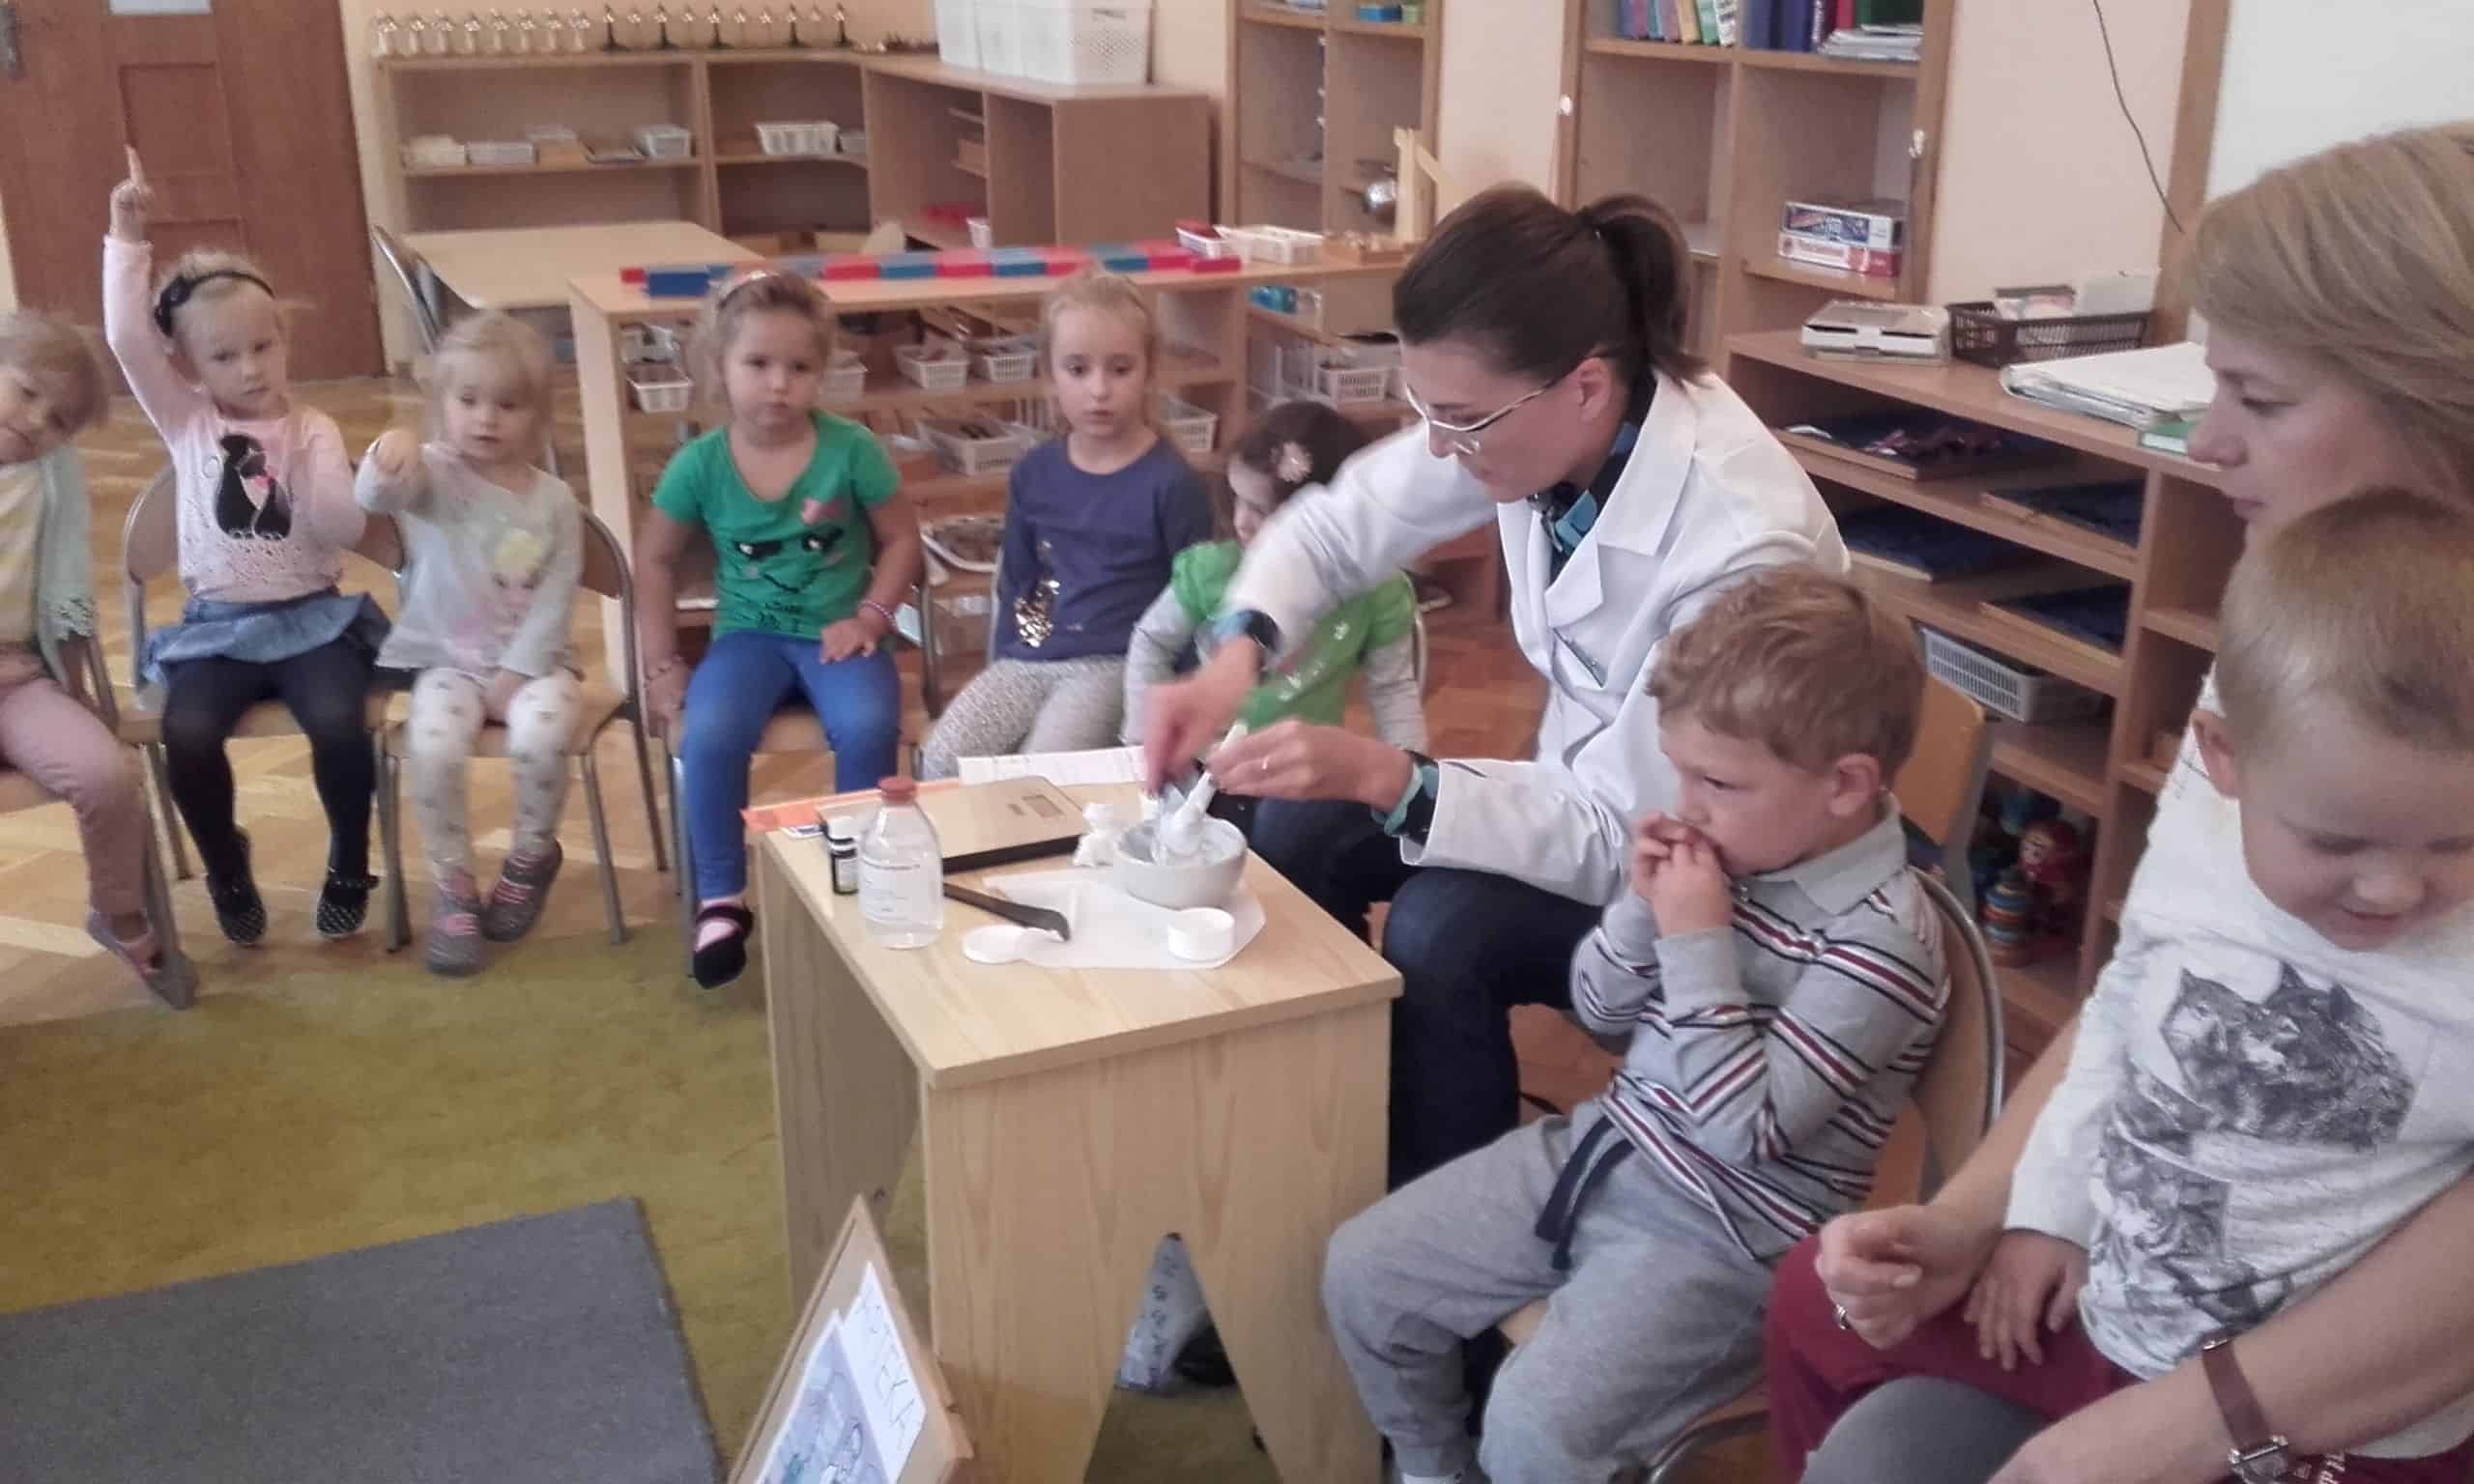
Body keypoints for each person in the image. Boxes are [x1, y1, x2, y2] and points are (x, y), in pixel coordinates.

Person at [1767, 123, 2474, 1484]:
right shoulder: (2291, 647)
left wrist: (2178, 1430)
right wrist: (1994, 1210)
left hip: (2350, 1377)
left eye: (2257, 399)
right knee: (1826, 1302)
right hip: (2162, 1271)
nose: (2208, 443)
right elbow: (2160, 965)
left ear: (2440, 405)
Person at [1140, 184, 1844, 1187]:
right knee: (1296, 826)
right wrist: (1234, 654)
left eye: (1459, 420)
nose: (1437, 446)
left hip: (1704, 879)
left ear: (1586, 387)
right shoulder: (1530, 417)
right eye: (1424, 408)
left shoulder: (1740, 550)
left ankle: (1437, 1218)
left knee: (1444, 931)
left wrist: (1390, 777)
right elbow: (1339, 526)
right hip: (1585, 799)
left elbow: (1627, 833)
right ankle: (1315, 1146)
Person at [1321, 568, 1944, 1484]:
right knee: (1363, 1272)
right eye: (1679, 771)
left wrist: (1697, 940)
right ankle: (1432, 1470)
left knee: (1534, 1433)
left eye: (1717, 781)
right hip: (1608, 1151)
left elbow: (1741, 1136)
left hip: (1730, 1239)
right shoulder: (1753, 842)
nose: (1688, 805)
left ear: (1846, 785)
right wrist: (1641, 912)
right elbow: (1602, 1010)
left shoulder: (1882, 941)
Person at [104, 149, 383, 945]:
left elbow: (341, 525)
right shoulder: (189, 419)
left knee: (339, 723)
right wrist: (126, 236)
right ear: (189, 365)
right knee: (188, 736)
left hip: (313, 621)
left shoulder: (313, 426)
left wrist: (359, 482)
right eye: (224, 357)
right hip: (218, 628)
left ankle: (349, 860)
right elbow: (126, 339)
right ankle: (227, 865)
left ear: (284, 339)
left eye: (264, 347)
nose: (251, 369)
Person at [635, 269, 921, 990]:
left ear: (822, 371)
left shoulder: (851, 449)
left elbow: (902, 540)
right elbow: (655, 560)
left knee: (869, 725)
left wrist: (872, 616)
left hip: (842, 637)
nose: (778, 384)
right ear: (719, 367)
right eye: (757, 363)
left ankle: (856, 876)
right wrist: (663, 664)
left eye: (798, 367)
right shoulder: (699, 464)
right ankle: (722, 900)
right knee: (708, 734)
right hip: (747, 641)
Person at [917, 267, 1212, 780]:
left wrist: (1175, 703)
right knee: (942, 759)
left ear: (1149, 372)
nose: (1099, 389)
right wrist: (1011, 660)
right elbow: (1017, 581)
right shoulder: (1034, 472)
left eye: (1120, 369)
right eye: (1077, 369)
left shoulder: (1172, 482)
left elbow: (1196, 599)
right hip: (1030, 659)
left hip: (1114, 663)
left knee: (1044, 771)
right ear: (1050, 376)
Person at [357, 312, 585, 976]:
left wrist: (517, 673)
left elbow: (557, 596)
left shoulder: (555, 502)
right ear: (442, 404)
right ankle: (452, 882)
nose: (486, 418)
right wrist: (391, 446)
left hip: (536, 666)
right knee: (432, 747)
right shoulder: (434, 475)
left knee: (542, 735)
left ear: (537, 417)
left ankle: (531, 854)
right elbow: (373, 495)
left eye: (508, 405)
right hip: (447, 663)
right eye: (468, 400)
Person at [0, 310, 194, 1001]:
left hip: (19, 679)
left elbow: (69, 595)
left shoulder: (52, 478)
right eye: (25, 391)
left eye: (56, 420)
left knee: (106, 775)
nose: (34, 421)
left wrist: (79, 688)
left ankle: (117, 912)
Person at [1119, 398, 1425, 810]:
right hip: (1206, 768)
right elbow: (1152, 640)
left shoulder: (1379, 592)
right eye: (1237, 498)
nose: (1241, 521)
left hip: (1305, 775)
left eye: (1262, 510)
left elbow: (1392, 689)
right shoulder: (1212, 570)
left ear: (1324, 520)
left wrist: (1410, 783)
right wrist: (1142, 738)